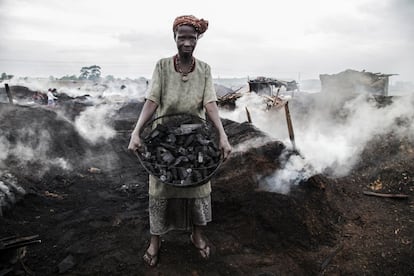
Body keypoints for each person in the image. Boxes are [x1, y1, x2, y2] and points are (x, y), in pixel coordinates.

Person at [128, 15, 232, 267]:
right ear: (174, 38)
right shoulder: (162, 66)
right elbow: (152, 100)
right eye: (181, 37)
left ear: (198, 40)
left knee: (198, 185)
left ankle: (197, 235)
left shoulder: (204, 69)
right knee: (160, 188)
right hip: (164, 136)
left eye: (192, 38)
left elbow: (210, 103)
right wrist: (136, 131)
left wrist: (222, 134)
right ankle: (155, 240)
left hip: (196, 137)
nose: (187, 43)